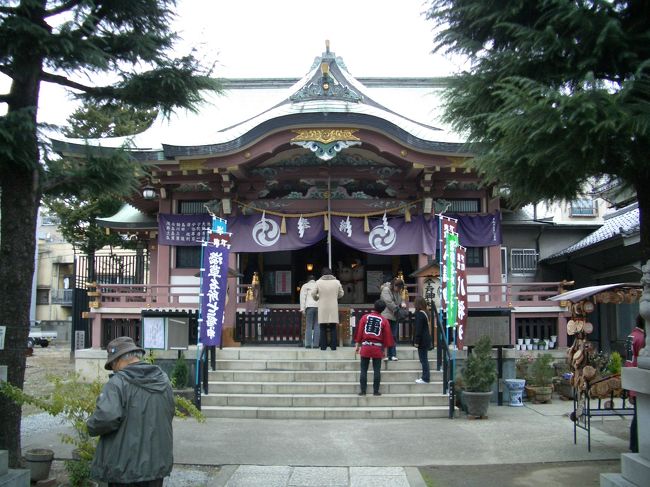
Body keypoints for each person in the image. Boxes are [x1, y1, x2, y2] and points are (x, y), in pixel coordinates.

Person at [87, 337, 175, 487]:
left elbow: (106, 417)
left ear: (118, 361)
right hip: (156, 464)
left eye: (112, 364)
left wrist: (90, 424)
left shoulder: (117, 383)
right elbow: (170, 412)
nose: (114, 369)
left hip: (125, 467)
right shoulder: (163, 380)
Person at [354, 300, 395, 396]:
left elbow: (360, 333)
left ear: (374, 306)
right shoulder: (384, 320)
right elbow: (387, 338)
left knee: (363, 369)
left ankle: (363, 391)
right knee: (377, 370)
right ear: (384, 309)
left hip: (365, 346)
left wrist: (357, 346)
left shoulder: (365, 317)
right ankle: (376, 391)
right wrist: (384, 351)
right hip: (377, 348)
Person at [625, 315, 646, 453]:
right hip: (640, 378)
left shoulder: (631, 336)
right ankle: (636, 445)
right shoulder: (642, 339)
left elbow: (628, 361)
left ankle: (634, 444)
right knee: (640, 416)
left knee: (637, 415)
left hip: (631, 376)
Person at [312, 267, 344, 350]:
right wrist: (335, 297)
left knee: (322, 327)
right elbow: (341, 293)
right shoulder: (336, 282)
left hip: (322, 306)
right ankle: (333, 346)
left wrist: (317, 298)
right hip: (333, 306)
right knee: (333, 327)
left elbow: (313, 293)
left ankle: (323, 346)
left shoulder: (318, 282)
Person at [380, 277, 406, 361]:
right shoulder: (386, 290)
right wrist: (397, 307)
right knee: (386, 335)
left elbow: (399, 301)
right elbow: (388, 302)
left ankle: (393, 354)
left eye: (400, 288)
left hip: (394, 316)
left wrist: (402, 302)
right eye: (398, 288)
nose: (399, 290)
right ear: (394, 285)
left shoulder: (397, 291)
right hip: (386, 315)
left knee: (393, 335)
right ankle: (385, 354)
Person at [413, 296, 433, 384]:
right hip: (426, 338)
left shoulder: (420, 314)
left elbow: (418, 329)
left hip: (422, 340)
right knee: (424, 359)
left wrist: (416, 341)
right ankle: (425, 377)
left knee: (423, 359)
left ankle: (425, 378)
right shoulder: (426, 313)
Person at [300, 275, 320, 348]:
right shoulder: (318, 285)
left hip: (309, 306)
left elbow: (303, 298)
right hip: (318, 306)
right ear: (315, 280)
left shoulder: (305, 286)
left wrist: (302, 309)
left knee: (308, 326)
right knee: (317, 326)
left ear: (308, 280)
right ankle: (316, 344)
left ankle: (308, 344)